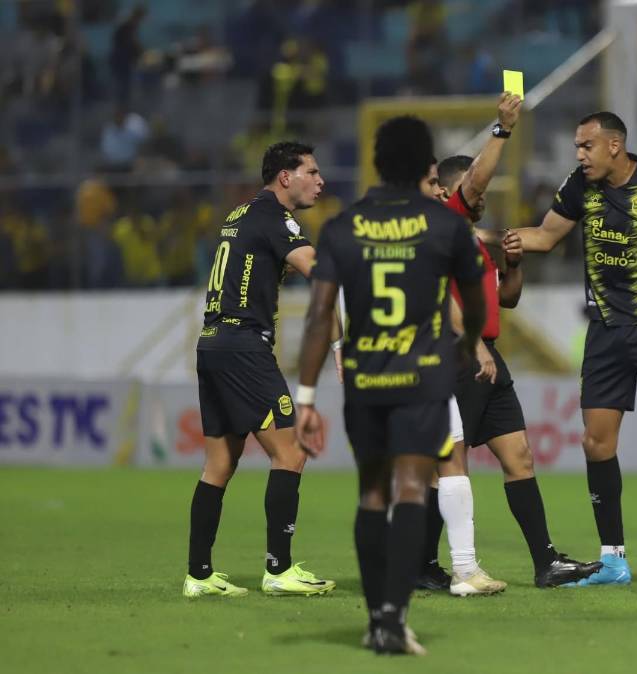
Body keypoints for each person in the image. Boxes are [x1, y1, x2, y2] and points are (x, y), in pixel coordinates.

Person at [295, 115, 486, 653]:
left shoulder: (341, 227)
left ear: (377, 162)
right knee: (409, 491)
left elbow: (317, 318)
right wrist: (468, 342)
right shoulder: (444, 225)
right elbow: (472, 303)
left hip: (365, 381)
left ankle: (377, 616)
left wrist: (306, 397)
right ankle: (395, 621)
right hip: (423, 378)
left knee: (372, 494)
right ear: (428, 165)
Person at [507, 111, 637, 585]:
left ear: (614, 146)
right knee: (596, 443)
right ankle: (614, 559)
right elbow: (547, 236)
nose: (579, 155)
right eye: (578, 147)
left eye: (586, 146)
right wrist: (485, 238)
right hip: (605, 332)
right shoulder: (580, 185)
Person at [424, 149, 603, 595]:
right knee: (449, 464)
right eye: (471, 186)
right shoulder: (439, 235)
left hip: (489, 355)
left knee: (519, 455)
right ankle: (422, 562)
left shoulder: (470, 240)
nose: (481, 193)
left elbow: (508, 300)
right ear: (449, 191)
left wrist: (515, 266)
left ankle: (546, 562)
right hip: (459, 354)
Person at [183, 141, 339, 598]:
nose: (320, 180)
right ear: (285, 177)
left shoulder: (239, 214)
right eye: (311, 171)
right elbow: (319, 271)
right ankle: (279, 569)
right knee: (291, 453)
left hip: (212, 343)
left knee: (219, 463)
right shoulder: (276, 217)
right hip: (244, 348)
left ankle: (199, 575)